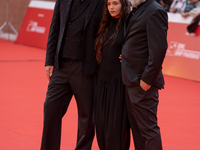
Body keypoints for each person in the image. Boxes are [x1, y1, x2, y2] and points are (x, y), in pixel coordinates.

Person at [40, 0, 104, 150]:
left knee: (86, 118)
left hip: (86, 67)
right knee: (51, 108)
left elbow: (111, 27)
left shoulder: (102, 2)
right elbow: (54, 28)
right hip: (61, 66)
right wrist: (49, 60)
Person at [121, 0, 168, 149]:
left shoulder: (155, 10)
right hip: (131, 79)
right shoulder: (137, 8)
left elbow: (159, 49)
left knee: (148, 129)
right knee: (137, 130)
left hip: (142, 81)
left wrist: (147, 79)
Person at [94, 0, 130, 150]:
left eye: (115, 3)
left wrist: (130, 54)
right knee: (101, 126)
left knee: (115, 128)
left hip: (118, 83)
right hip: (102, 82)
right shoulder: (104, 24)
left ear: (124, 4)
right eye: (109, 4)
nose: (111, 7)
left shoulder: (129, 24)